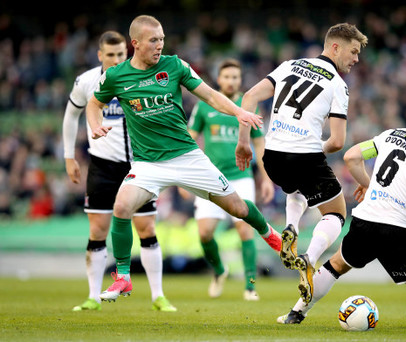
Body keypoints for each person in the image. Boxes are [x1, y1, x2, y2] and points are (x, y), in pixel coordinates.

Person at [85, 15, 282, 302]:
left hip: (188, 157)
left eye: (162, 39)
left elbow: (211, 95)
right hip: (148, 163)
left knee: (238, 208)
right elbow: (94, 103)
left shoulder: (174, 65)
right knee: (121, 206)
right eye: (154, 40)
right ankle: (123, 278)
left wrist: (239, 112)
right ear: (135, 43)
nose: (160, 45)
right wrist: (94, 124)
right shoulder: (117, 76)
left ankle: (269, 233)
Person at [277, 97, 406, 328]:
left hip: (364, 221)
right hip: (397, 229)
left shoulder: (390, 135)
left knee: (334, 265)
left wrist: (367, 184)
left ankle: (296, 312)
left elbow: (352, 157)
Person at [235, 23, 367, 304]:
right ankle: (311, 257)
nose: (356, 58)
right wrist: (313, 147)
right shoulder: (337, 85)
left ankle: (291, 227)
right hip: (304, 156)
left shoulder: (288, 66)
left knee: (295, 187)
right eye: (353, 51)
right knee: (337, 214)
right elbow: (337, 141)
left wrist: (244, 141)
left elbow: (248, 98)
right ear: (335, 47)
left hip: (272, 156)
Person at [62, 30, 176, 312]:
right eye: (110, 55)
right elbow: (70, 116)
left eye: (120, 55)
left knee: (146, 227)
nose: (115, 60)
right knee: (98, 229)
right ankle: (92, 297)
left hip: (140, 164)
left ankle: (158, 296)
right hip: (102, 165)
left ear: (127, 53)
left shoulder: (139, 76)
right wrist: (68, 156)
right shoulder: (87, 82)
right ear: (100, 55)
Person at [187, 58, 274, 301]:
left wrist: (266, 179)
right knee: (204, 234)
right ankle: (219, 271)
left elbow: (259, 143)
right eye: (226, 76)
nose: (231, 81)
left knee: (245, 230)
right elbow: (189, 138)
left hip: (241, 176)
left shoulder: (248, 105)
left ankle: (250, 285)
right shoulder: (205, 105)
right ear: (219, 78)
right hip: (210, 177)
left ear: (239, 79)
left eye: (235, 77)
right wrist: (185, 176)